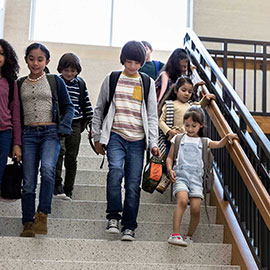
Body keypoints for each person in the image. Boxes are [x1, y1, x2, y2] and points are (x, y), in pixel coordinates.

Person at [92, 40, 159, 241]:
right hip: (115, 136)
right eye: (129, 62)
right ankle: (113, 216)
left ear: (142, 62)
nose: (132, 66)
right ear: (123, 60)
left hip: (138, 140)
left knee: (132, 184)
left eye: (136, 62)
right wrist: (97, 137)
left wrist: (154, 143)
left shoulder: (147, 82)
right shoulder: (112, 79)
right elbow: (99, 109)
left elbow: (153, 116)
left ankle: (129, 226)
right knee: (115, 172)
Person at [17, 43, 74, 237]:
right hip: (28, 135)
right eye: (31, 58)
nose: (35, 63)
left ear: (47, 61)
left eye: (40, 59)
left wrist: (63, 128)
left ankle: (42, 213)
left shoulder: (54, 81)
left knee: (49, 169)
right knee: (28, 181)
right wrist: (15, 143)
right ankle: (27, 222)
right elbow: (16, 114)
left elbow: (69, 107)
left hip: (51, 133)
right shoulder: (20, 83)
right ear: (26, 60)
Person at [166, 106, 237, 246]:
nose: (190, 129)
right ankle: (175, 234)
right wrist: (170, 169)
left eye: (194, 125)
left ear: (201, 125)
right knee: (182, 200)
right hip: (180, 176)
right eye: (187, 125)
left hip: (197, 179)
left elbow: (219, 144)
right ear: (183, 124)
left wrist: (227, 137)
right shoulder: (178, 138)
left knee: (196, 208)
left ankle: (189, 235)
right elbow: (169, 157)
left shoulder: (204, 141)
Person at [54, 53, 93, 200]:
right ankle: (57, 184)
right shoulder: (56, 82)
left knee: (71, 157)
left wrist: (92, 124)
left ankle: (68, 188)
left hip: (75, 123)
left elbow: (87, 105)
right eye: (66, 70)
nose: (69, 74)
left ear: (77, 70)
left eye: (73, 70)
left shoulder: (80, 84)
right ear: (61, 69)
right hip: (59, 123)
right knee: (59, 153)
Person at [159, 76, 214, 155]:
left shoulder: (191, 105)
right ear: (176, 90)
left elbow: (200, 106)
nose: (186, 94)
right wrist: (169, 131)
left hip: (188, 140)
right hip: (174, 140)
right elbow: (161, 121)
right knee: (172, 160)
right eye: (183, 90)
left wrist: (206, 98)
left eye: (190, 92)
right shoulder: (170, 105)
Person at [0, 39, 21, 199]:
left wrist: (16, 144)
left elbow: (15, 116)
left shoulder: (11, 83)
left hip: (4, 134)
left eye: (1, 53)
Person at [156, 48, 204, 115]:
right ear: (175, 66)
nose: (185, 69)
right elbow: (161, 99)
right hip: (167, 112)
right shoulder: (165, 76)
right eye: (183, 67)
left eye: (186, 67)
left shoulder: (182, 78)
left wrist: (195, 88)